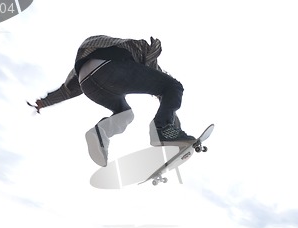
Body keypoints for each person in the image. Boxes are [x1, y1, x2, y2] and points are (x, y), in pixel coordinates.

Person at [32, 35, 195, 167]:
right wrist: (170, 120)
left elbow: (66, 91)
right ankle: (164, 130)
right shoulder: (140, 47)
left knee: (125, 114)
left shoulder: (95, 49)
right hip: (112, 67)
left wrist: (45, 102)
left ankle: (100, 133)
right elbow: (156, 73)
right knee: (173, 86)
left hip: (85, 82)